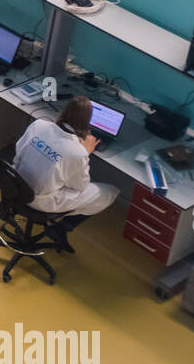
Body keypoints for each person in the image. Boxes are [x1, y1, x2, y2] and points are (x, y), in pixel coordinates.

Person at [12, 96, 118, 252]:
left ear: (65, 110)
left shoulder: (39, 124)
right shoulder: (77, 152)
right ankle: (62, 226)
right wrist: (86, 153)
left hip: (15, 185)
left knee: (60, 176)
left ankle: (58, 225)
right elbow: (80, 186)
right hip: (39, 201)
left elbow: (18, 148)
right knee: (109, 191)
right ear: (87, 122)